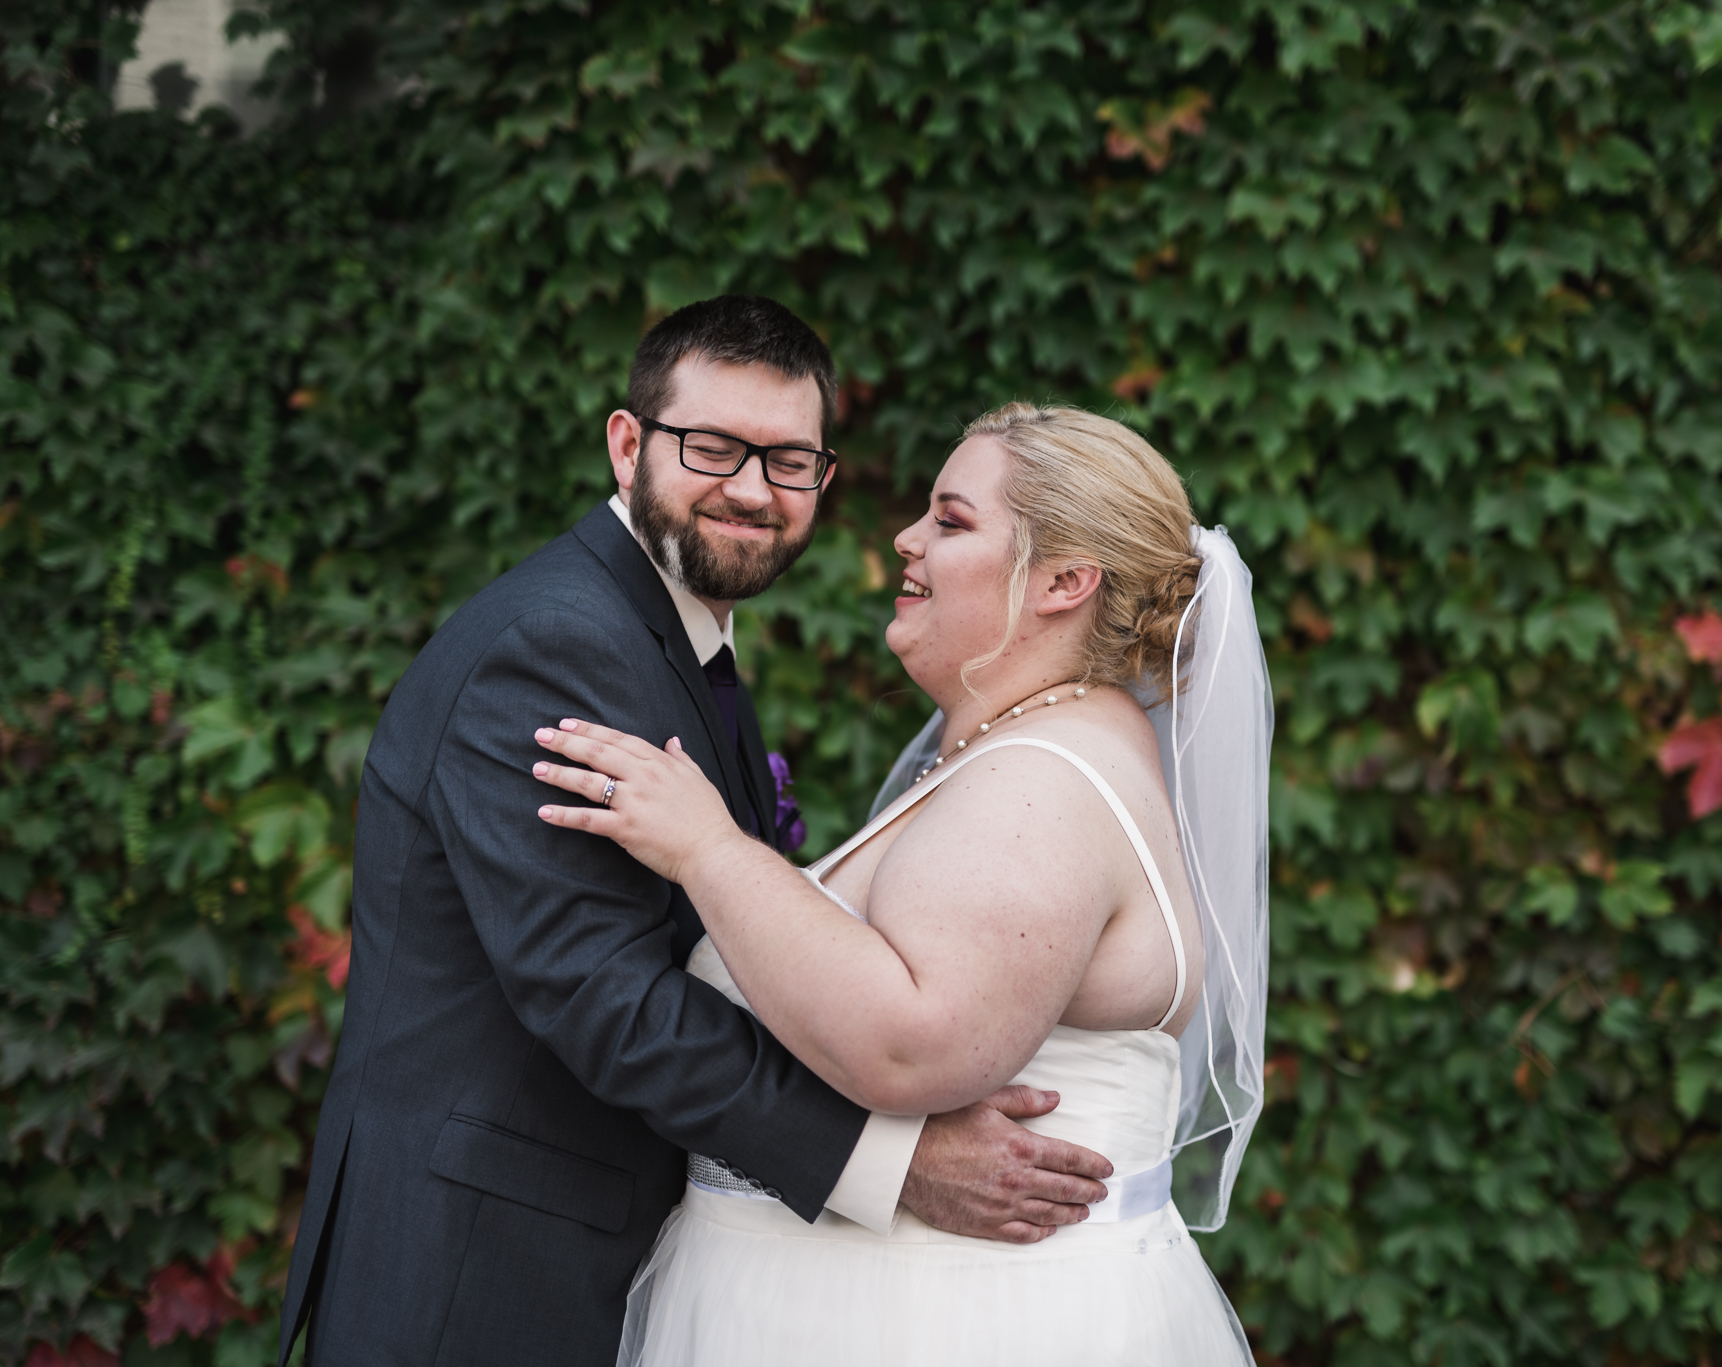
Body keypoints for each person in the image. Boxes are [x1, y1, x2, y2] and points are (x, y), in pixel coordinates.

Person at [277, 300, 1119, 1367]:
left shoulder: (664, 633)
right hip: (484, 1268)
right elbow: (601, 992)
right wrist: (886, 1161)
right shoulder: (557, 644)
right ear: (627, 444)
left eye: (790, 460)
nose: (753, 490)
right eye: (713, 447)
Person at [533, 402, 1273, 1365]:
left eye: (952, 522)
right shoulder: (1030, 748)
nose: (906, 539)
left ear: (1064, 581)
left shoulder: (1040, 784)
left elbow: (912, 1046)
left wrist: (708, 849)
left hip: (942, 1322)